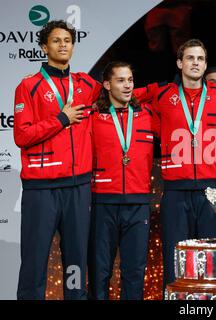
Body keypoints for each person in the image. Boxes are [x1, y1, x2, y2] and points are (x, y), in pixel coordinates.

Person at [13, 20, 159, 300]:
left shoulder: (84, 85)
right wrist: (60, 119)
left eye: (67, 40)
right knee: (34, 263)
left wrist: (157, 90)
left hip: (78, 188)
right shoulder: (28, 87)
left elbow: (118, 92)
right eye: (56, 40)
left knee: (76, 265)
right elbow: (22, 134)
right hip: (41, 189)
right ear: (44, 47)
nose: (63, 45)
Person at [152, 39, 216, 290]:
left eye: (200, 59)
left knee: (211, 260)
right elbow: (132, 102)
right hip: (176, 190)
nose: (195, 63)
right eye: (190, 58)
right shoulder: (162, 96)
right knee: (176, 260)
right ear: (179, 63)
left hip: (213, 190)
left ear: (205, 65)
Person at [88, 62, 156, 300]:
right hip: (102, 203)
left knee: (134, 272)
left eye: (130, 80)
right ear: (106, 84)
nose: (127, 86)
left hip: (138, 205)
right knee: (100, 272)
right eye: (120, 80)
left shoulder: (148, 115)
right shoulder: (92, 117)